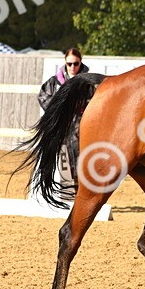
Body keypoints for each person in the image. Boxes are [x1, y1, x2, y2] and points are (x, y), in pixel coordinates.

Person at [38, 48, 90, 193]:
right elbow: (43, 97)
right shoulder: (55, 82)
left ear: (80, 62)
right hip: (61, 127)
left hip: (81, 126)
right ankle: (65, 193)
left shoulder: (87, 83)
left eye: (76, 64)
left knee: (81, 162)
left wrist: (80, 105)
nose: (73, 67)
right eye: (69, 64)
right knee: (63, 162)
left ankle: (81, 193)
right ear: (65, 63)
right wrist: (60, 108)